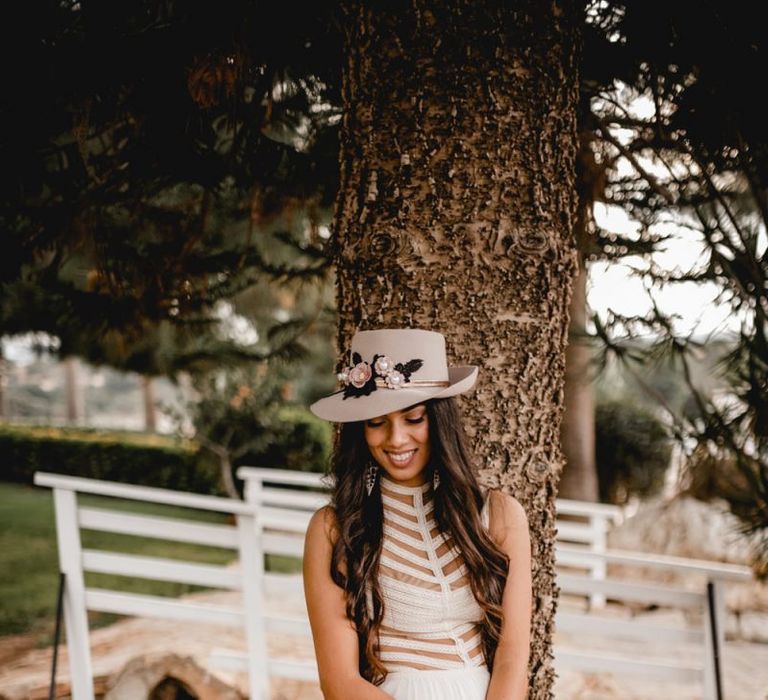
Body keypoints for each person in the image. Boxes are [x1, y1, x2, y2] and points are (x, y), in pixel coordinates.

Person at [304, 328, 532, 700]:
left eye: (413, 419)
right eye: (377, 422)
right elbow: (339, 681)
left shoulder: (499, 515)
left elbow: (513, 655)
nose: (395, 439)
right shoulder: (334, 529)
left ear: (440, 421)